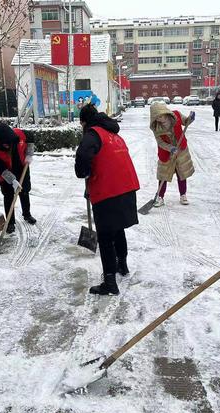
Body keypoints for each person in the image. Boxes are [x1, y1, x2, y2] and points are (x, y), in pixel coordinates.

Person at [75, 104, 139, 296]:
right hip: (126, 187)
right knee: (117, 228)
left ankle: (110, 282)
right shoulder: (113, 133)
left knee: (105, 236)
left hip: (109, 190)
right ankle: (123, 265)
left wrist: (83, 172)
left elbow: (83, 154)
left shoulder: (93, 134)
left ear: (84, 122)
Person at [0, 124, 36, 233]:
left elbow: (31, 138)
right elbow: (0, 168)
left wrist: (29, 153)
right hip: (5, 174)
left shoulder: (18, 134)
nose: (9, 146)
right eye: (6, 145)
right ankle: (10, 222)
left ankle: (27, 214)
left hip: (21, 167)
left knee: (24, 191)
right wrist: (12, 180)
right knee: (8, 196)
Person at [150, 103, 195, 207]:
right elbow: (160, 142)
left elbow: (186, 122)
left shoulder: (176, 115)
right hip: (166, 152)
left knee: (182, 173)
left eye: (161, 116)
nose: (160, 119)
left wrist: (190, 119)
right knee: (163, 175)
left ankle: (183, 195)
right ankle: (160, 197)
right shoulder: (156, 127)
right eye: (157, 118)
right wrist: (170, 148)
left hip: (181, 151)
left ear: (165, 112)